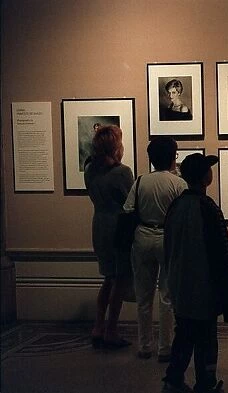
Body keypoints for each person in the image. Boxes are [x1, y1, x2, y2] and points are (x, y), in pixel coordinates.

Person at [161, 153, 228, 393]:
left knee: (184, 334)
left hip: (180, 282)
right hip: (204, 284)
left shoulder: (176, 206)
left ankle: (173, 380)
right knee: (206, 337)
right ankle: (205, 382)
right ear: (206, 177)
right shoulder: (207, 208)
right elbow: (221, 252)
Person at [124, 136, 187, 361]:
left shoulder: (141, 181)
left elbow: (129, 209)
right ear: (172, 157)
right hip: (166, 237)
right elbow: (182, 214)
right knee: (166, 295)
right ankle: (165, 347)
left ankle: (144, 345)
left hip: (142, 235)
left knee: (143, 295)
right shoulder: (178, 183)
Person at [84, 125, 134, 350]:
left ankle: (98, 326)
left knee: (107, 277)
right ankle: (112, 330)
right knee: (120, 279)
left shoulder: (89, 170)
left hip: (99, 224)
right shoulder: (122, 172)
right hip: (118, 226)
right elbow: (130, 201)